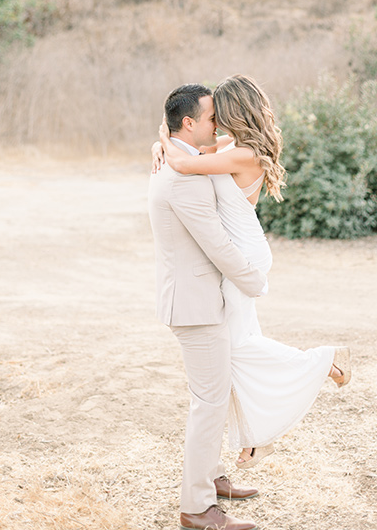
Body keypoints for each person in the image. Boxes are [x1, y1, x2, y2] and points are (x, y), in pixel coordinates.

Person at [153, 74, 351, 472]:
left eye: (220, 113)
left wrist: (162, 137)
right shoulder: (233, 146)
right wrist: (164, 141)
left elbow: (182, 161)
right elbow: (189, 151)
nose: (216, 122)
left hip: (244, 255)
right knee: (239, 343)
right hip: (241, 251)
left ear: (235, 112)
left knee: (236, 348)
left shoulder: (243, 155)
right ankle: (254, 441)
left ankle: (327, 360)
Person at [148, 83, 268, 530]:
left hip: (197, 299)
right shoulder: (183, 176)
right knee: (210, 403)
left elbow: (174, 139)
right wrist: (253, 280)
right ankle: (196, 507)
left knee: (214, 397)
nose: (218, 124)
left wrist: (160, 140)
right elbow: (216, 242)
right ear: (189, 123)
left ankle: (213, 477)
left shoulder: (181, 158)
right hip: (195, 305)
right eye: (211, 116)